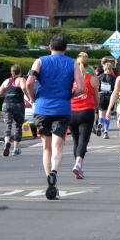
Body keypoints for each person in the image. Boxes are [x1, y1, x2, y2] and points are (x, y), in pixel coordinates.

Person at [26, 34, 84, 201]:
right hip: (62, 108)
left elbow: (29, 82)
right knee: (58, 146)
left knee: (46, 147)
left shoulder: (40, 61)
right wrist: (70, 95)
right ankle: (54, 172)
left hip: (42, 108)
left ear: (50, 47)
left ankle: (49, 181)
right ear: (65, 49)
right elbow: (81, 87)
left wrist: (33, 97)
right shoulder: (72, 64)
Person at [70, 54, 98, 179]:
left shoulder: (71, 79)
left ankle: (78, 166)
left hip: (71, 111)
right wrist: (96, 107)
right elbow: (97, 98)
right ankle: (78, 164)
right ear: (88, 65)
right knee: (83, 141)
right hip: (87, 111)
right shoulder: (92, 78)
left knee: (76, 141)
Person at [0, 64, 26, 156]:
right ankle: (16, 148)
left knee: (8, 124)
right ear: (20, 72)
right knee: (18, 125)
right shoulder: (21, 80)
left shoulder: (6, 81)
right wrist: (27, 95)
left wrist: (8, 94)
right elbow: (24, 87)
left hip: (6, 104)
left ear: (11, 72)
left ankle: (6, 142)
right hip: (18, 104)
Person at [96, 57, 117, 139]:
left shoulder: (100, 77)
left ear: (104, 68)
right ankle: (105, 131)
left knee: (101, 114)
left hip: (101, 96)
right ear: (111, 69)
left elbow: (97, 88)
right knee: (108, 115)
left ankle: (100, 125)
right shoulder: (114, 78)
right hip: (110, 96)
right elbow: (115, 89)